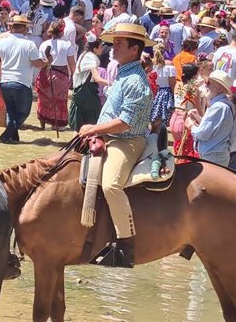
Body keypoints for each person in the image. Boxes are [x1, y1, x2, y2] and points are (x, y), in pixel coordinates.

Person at [79, 23, 155, 268]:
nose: (113, 48)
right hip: (110, 135)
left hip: (128, 140)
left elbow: (125, 123)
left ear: (134, 49)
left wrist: (94, 129)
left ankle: (125, 244)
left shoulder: (135, 80)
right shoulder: (123, 72)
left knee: (112, 185)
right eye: (114, 43)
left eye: (120, 44)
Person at [0, 15, 50, 143]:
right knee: (23, 113)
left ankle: (13, 139)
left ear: (11, 27)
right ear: (25, 29)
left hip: (4, 82)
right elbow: (37, 63)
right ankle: (5, 136)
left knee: (11, 112)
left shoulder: (1, 42)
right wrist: (47, 62)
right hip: (22, 83)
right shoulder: (29, 44)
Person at [186, 70, 235, 167]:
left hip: (213, 157)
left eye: (208, 83)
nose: (206, 86)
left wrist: (191, 125)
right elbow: (214, 128)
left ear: (219, 87)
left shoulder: (219, 107)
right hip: (215, 156)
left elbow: (203, 133)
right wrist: (199, 118)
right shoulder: (223, 104)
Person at [69, 33, 108, 132]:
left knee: (79, 124)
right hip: (86, 93)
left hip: (79, 92)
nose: (102, 49)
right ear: (95, 49)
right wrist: (112, 83)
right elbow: (97, 78)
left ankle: (76, 147)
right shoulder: (91, 58)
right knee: (94, 120)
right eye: (101, 47)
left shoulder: (84, 54)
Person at [170, 63, 201, 160]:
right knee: (186, 153)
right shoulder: (193, 88)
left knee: (179, 150)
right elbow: (198, 108)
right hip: (185, 120)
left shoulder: (178, 84)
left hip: (174, 118)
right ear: (194, 75)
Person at [149, 43, 176, 129]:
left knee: (153, 119)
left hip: (154, 92)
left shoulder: (151, 66)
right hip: (165, 93)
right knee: (163, 120)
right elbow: (172, 84)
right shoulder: (169, 65)